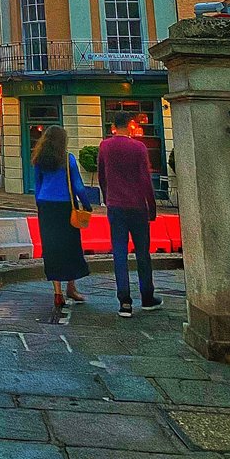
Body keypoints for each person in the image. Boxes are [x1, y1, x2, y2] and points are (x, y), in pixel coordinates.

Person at [98, 111, 163, 318]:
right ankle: (147, 296)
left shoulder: (105, 147)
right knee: (143, 253)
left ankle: (124, 301)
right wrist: (151, 206)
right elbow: (145, 179)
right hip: (137, 206)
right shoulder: (139, 147)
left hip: (115, 206)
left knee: (119, 253)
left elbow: (101, 177)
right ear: (130, 125)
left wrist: (108, 197)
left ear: (113, 126)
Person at [31, 125, 92, 309]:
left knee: (52, 247)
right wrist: (86, 204)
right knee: (70, 246)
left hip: (46, 206)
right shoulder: (68, 159)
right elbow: (78, 185)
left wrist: (40, 204)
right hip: (65, 206)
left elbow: (37, 184)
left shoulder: (39, 159)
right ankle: (71, 287)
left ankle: (57, 293)